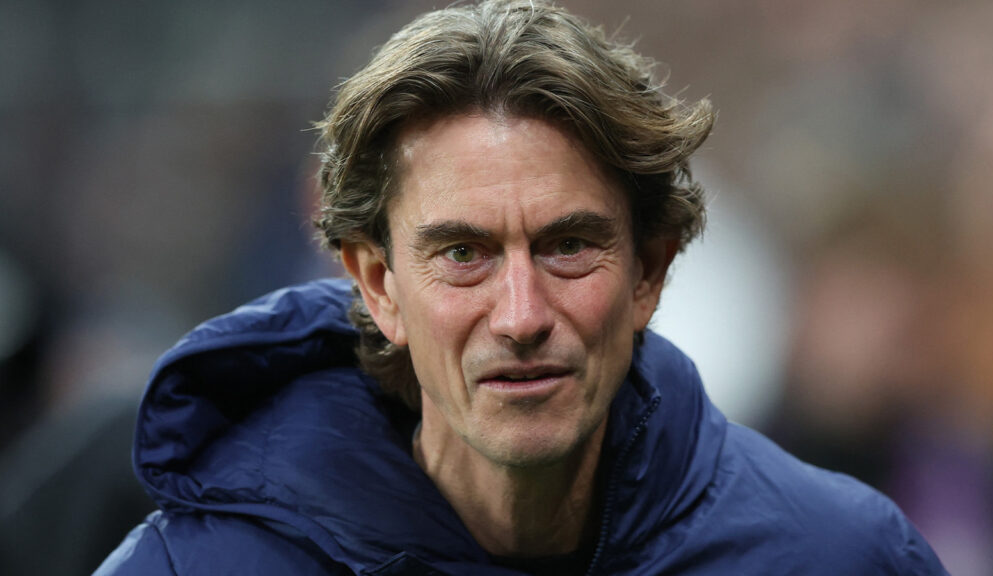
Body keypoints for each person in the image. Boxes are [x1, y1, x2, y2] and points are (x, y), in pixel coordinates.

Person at [95, 1, 947, 574]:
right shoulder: (195, 568)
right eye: (463, 254)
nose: (521, 315)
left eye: (568, 247)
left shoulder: (841, 556)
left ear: (650, 270)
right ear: (378, 285)